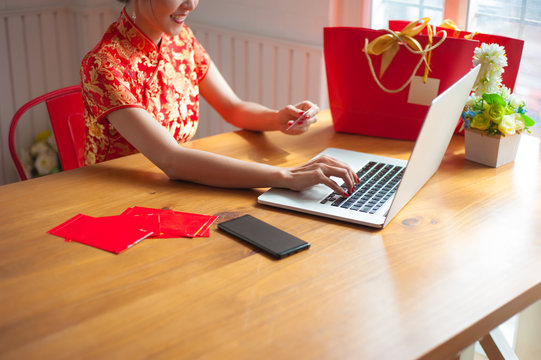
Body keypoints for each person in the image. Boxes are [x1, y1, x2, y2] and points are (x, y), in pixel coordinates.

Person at [81, 0, 359, 197]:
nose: (191, 4)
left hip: (175, 188)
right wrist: (286, 176)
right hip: (114, 199)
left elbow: (233, 107)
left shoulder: (181, 40)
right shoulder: (105, 64)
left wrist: (277, 118)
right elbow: (172, 159)